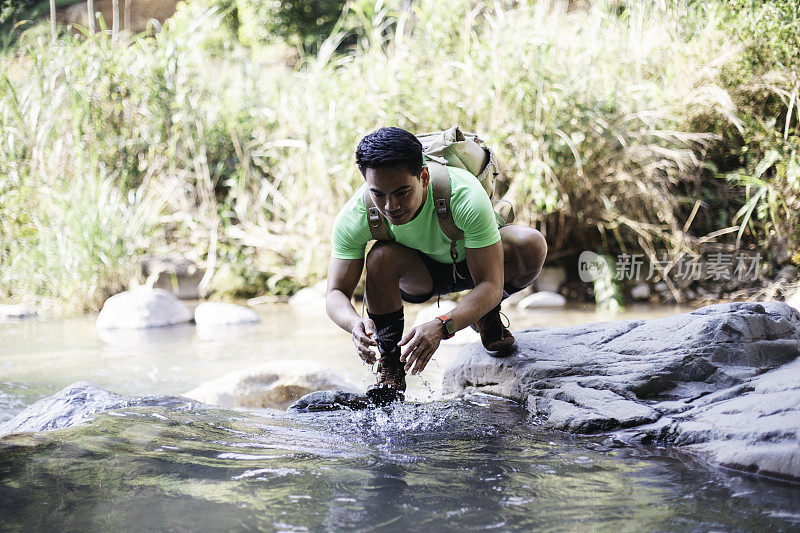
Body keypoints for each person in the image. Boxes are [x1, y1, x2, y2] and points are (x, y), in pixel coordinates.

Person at [325, 127, 547, 404]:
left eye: (402, 192)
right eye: (378, 194)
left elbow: (491, 283)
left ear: (424, 177)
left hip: (476, 266)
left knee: (531, 244)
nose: (390, 205)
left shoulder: (464, 193)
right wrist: (354, 323)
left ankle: (485, 316)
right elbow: (335, 293)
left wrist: (443, 326)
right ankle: (390, 368)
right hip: (419, 276)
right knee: (380, 257)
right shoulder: (357, 214)